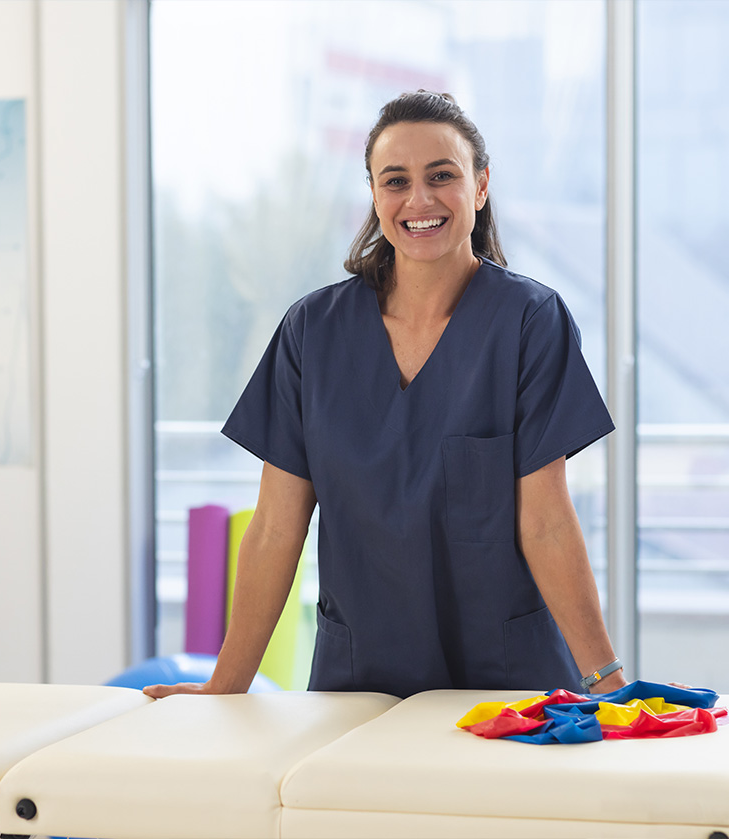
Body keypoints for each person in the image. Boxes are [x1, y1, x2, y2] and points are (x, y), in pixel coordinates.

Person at [146, 90, 627, 700]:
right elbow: (275, 528)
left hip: (508, 685)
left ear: (480, 186)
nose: (419, 200)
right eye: (396, 181)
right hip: (359, 684)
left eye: (442, 176)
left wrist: (607, 682)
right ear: (374, 196)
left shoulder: (530, 322)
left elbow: (548, 523)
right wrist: (225, 686)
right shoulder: (312, 332)